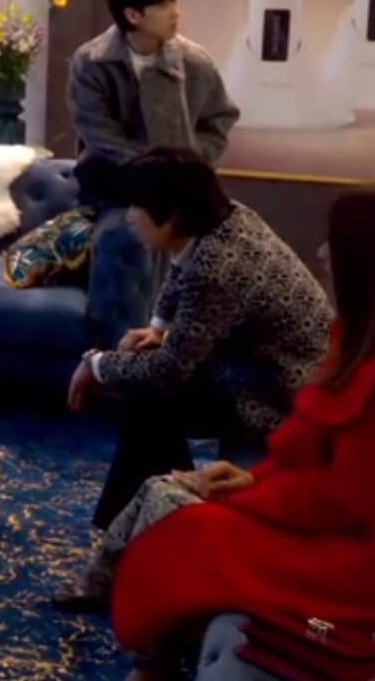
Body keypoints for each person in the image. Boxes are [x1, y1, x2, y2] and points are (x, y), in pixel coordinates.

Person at [105, 187, 375, 680]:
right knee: (184, 514)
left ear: (366, 259)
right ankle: (164, 647)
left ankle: (159, 656)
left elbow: (342, 499)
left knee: (190, 533)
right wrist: (255, 480)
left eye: (333, 242)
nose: (321, 253)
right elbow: (321, 456)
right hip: (355, 540)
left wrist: (250, 496)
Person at [64, 148, 332, 544]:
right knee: (148, 399)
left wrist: (95, 363)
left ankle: (158, 526)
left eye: (137, 207)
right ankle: (147, 523)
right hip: (253, 363)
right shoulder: (227, 219)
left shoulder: (218, 267)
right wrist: (158, 327)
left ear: (171, 216)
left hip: (274, 392)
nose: (130, 218)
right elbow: (180, 267)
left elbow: (171, 367)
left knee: (151, 395)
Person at [68, 0, 240, 165]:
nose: (176, 13)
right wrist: (143, 167)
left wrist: (193, 157)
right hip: (110, 176)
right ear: (133, 16)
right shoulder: (92, 62)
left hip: (179, 177)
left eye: (174, 3)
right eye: (163, 6)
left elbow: (220, 117)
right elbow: (95, 129)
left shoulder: (195, 61)